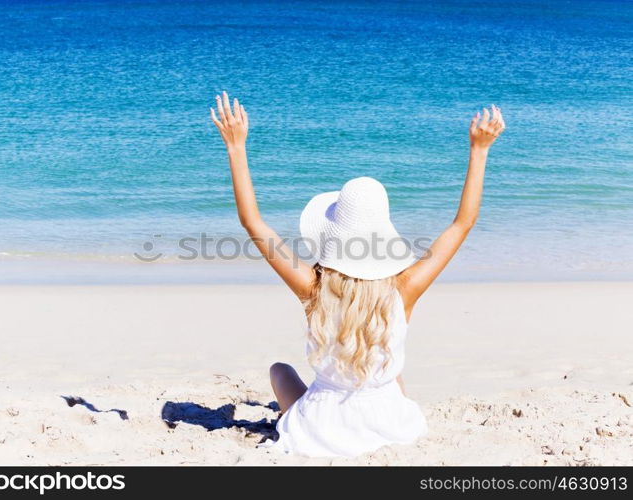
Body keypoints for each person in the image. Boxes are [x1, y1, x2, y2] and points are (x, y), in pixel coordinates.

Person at [210, 92, 505, 457]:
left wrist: (236, 146)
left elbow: (252, 222)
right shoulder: (405, 289)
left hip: (320, 428)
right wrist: (479, 150)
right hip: (389, 422)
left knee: (279, 370)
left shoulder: (313, 289)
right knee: (389, 370)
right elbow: (463, 223)